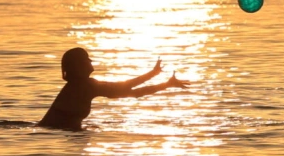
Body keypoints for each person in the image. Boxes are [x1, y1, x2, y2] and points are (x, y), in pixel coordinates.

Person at [38, 47, 188, 130]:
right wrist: (155, 75)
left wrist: (164, 83)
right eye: (86, 59)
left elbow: (130, 91)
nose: (90, 61)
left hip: (50, 130)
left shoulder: (83, 85)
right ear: (79, 66)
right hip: (50, 130)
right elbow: (129, 89)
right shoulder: (85, 86)